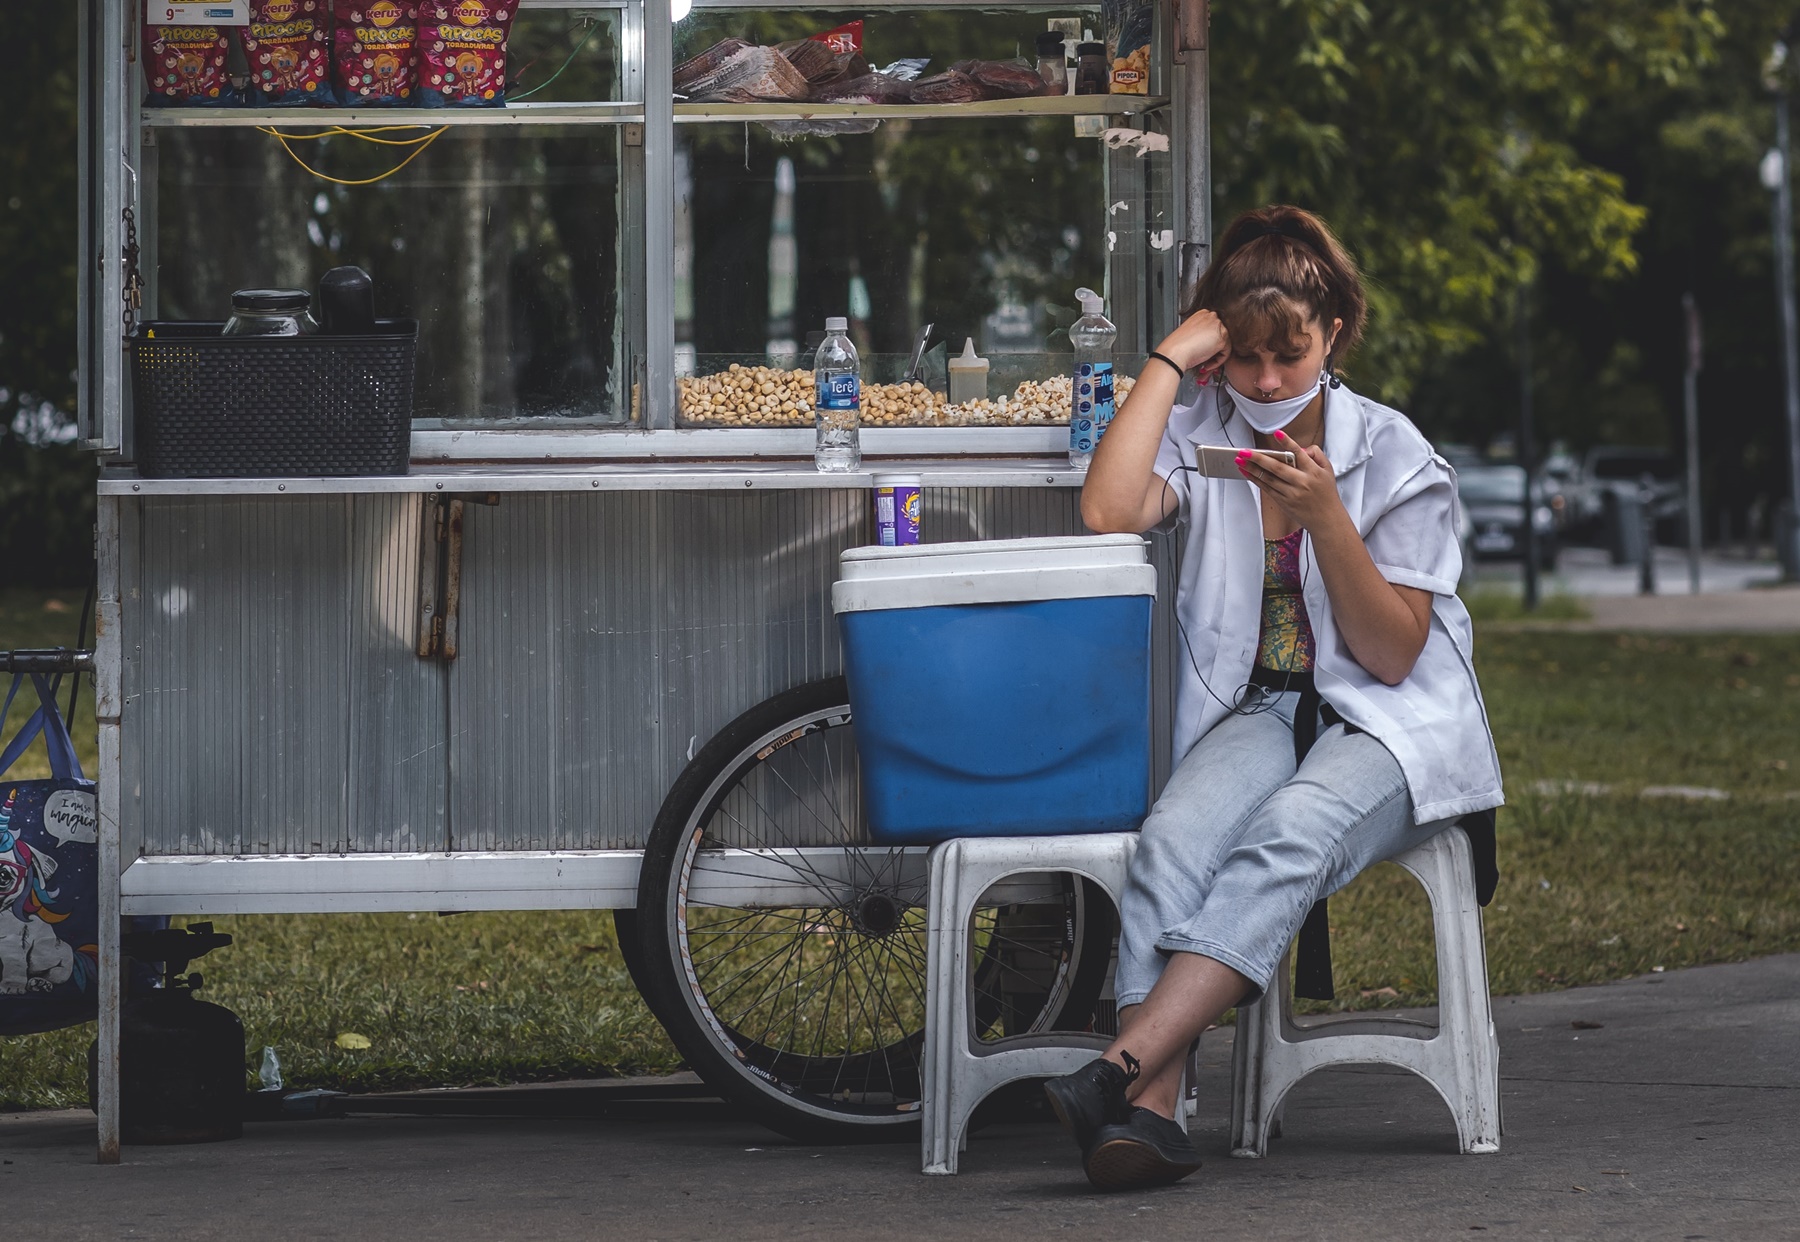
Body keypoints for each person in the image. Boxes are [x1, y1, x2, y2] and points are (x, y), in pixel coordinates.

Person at [1046, 205, 1504, 1191]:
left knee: (1289, 831)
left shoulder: (1393, 454)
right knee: (1173, 840)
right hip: (1261, 710)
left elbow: (1389, 657)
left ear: (1332, 333)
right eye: (1244, 356)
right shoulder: (1208, 431)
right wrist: (1170, 358)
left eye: (1286, 357)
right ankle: (1150, 1120)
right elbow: (1106, 510)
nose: (1263, 381)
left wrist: (1327, 518)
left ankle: (1118, 1072)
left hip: (1387, 724)